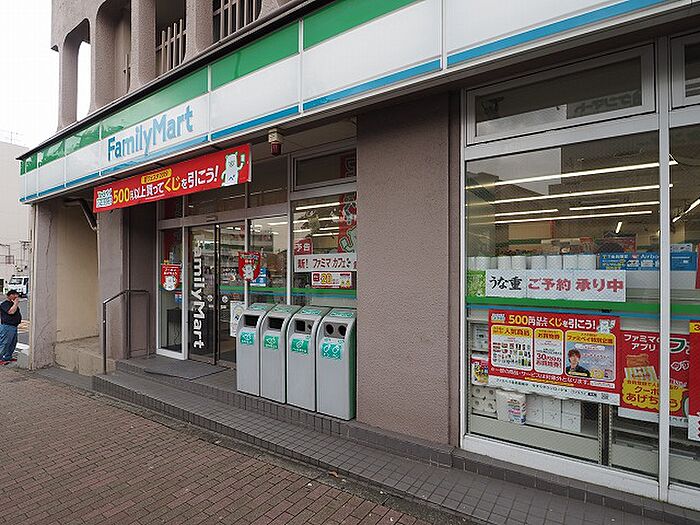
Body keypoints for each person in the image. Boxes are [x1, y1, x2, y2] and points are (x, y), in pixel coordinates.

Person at [0, 290, 21, 364]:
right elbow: (11, 312)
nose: (16, 296)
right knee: (5, 343)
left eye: (16, 295)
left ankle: (7, 357)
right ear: (9, 295)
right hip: (7, 326)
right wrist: (15, 303)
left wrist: (15, 304)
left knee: (12, 343)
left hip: (14, 326)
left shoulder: (12, 304)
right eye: (14, 295)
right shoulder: (4, 304)